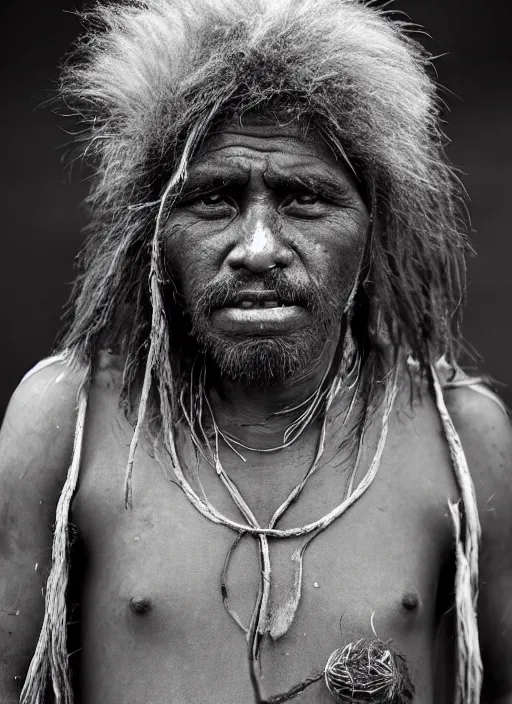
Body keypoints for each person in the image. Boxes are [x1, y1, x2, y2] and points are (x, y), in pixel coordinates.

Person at [1, 0, 511, 702]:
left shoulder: (462, 437)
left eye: (304, 198)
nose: (259, 249)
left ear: (373, 227)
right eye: (213, 199)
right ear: (150, 233)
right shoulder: (68, 421)